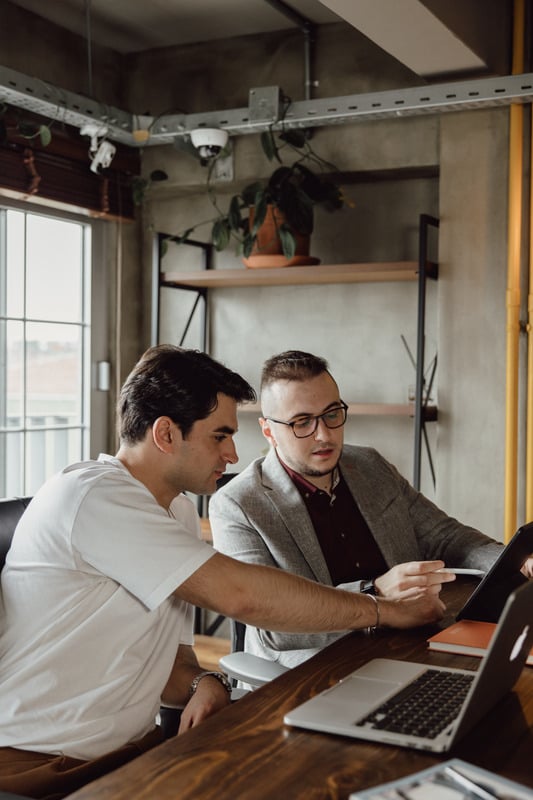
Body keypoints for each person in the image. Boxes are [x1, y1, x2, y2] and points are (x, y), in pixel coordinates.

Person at [0, 345, 445, 800]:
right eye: (219, 436)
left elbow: (170, 660)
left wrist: (204, 682)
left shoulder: (176, 511)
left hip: (135, 753)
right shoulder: (93, 495)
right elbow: (241, 596)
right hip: (40, 767)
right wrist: (380, 610)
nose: (233, 454)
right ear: (166, 434)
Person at [209, 349, 520, 669]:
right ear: (269, 430)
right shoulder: (237, 505)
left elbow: (446, 536)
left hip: (408, 649)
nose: (324, 435)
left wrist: (515, 562)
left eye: (332, 414)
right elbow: (276, 624)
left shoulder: (370, 465)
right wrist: (375, 593)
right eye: (302, 422)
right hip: (314, 672)